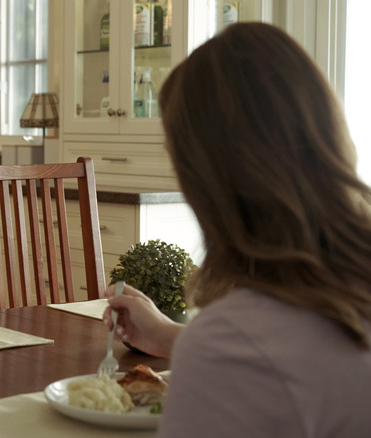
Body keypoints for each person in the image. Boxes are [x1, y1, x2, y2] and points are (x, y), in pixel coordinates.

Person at [104, 23, 371, 437]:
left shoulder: (234, 346)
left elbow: (266, 358)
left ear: (208, 181)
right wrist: (171, 336)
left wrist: (200, 345)